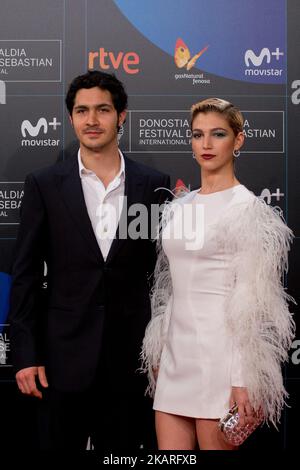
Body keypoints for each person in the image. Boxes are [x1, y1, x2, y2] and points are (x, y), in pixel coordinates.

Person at [8, 70, 170, 451]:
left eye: (102, 110)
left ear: (122, 115)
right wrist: (25, 355)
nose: (92, 120)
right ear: (71, 118)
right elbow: (25, 275)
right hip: (60, 362)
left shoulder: (153, 184)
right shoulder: (44, 184)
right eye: (82, 111)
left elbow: (164, 278)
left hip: (131, 363)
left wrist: (164, 352)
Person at [141, 98, 295, 450]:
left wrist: (243, 379)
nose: (206, 144)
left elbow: (253, 303)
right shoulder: (180, 208)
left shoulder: (248, 210)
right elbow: (172, 291)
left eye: (218, 134)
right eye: (198, 135)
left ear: (238, 140)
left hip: (221, 362)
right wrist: (162, 350)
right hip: (175, 360)